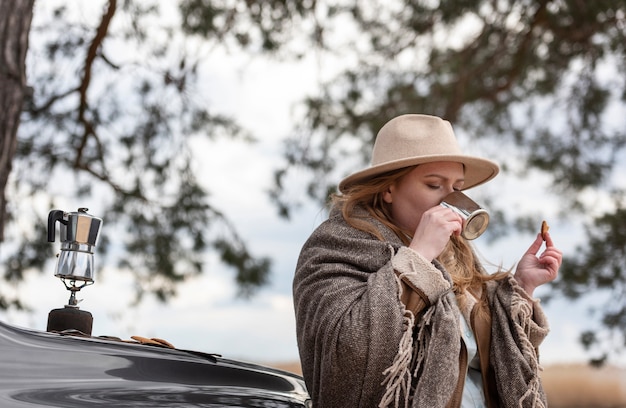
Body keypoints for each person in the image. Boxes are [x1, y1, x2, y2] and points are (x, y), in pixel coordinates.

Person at [293, 114, 562, 408]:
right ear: (388, 189)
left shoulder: (455, 255)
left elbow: (494, 355)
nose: (452, 201)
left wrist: (522, 287)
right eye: (434, 185)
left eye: (457, 188)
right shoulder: (336, 245)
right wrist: (417, 260)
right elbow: (348, 355)